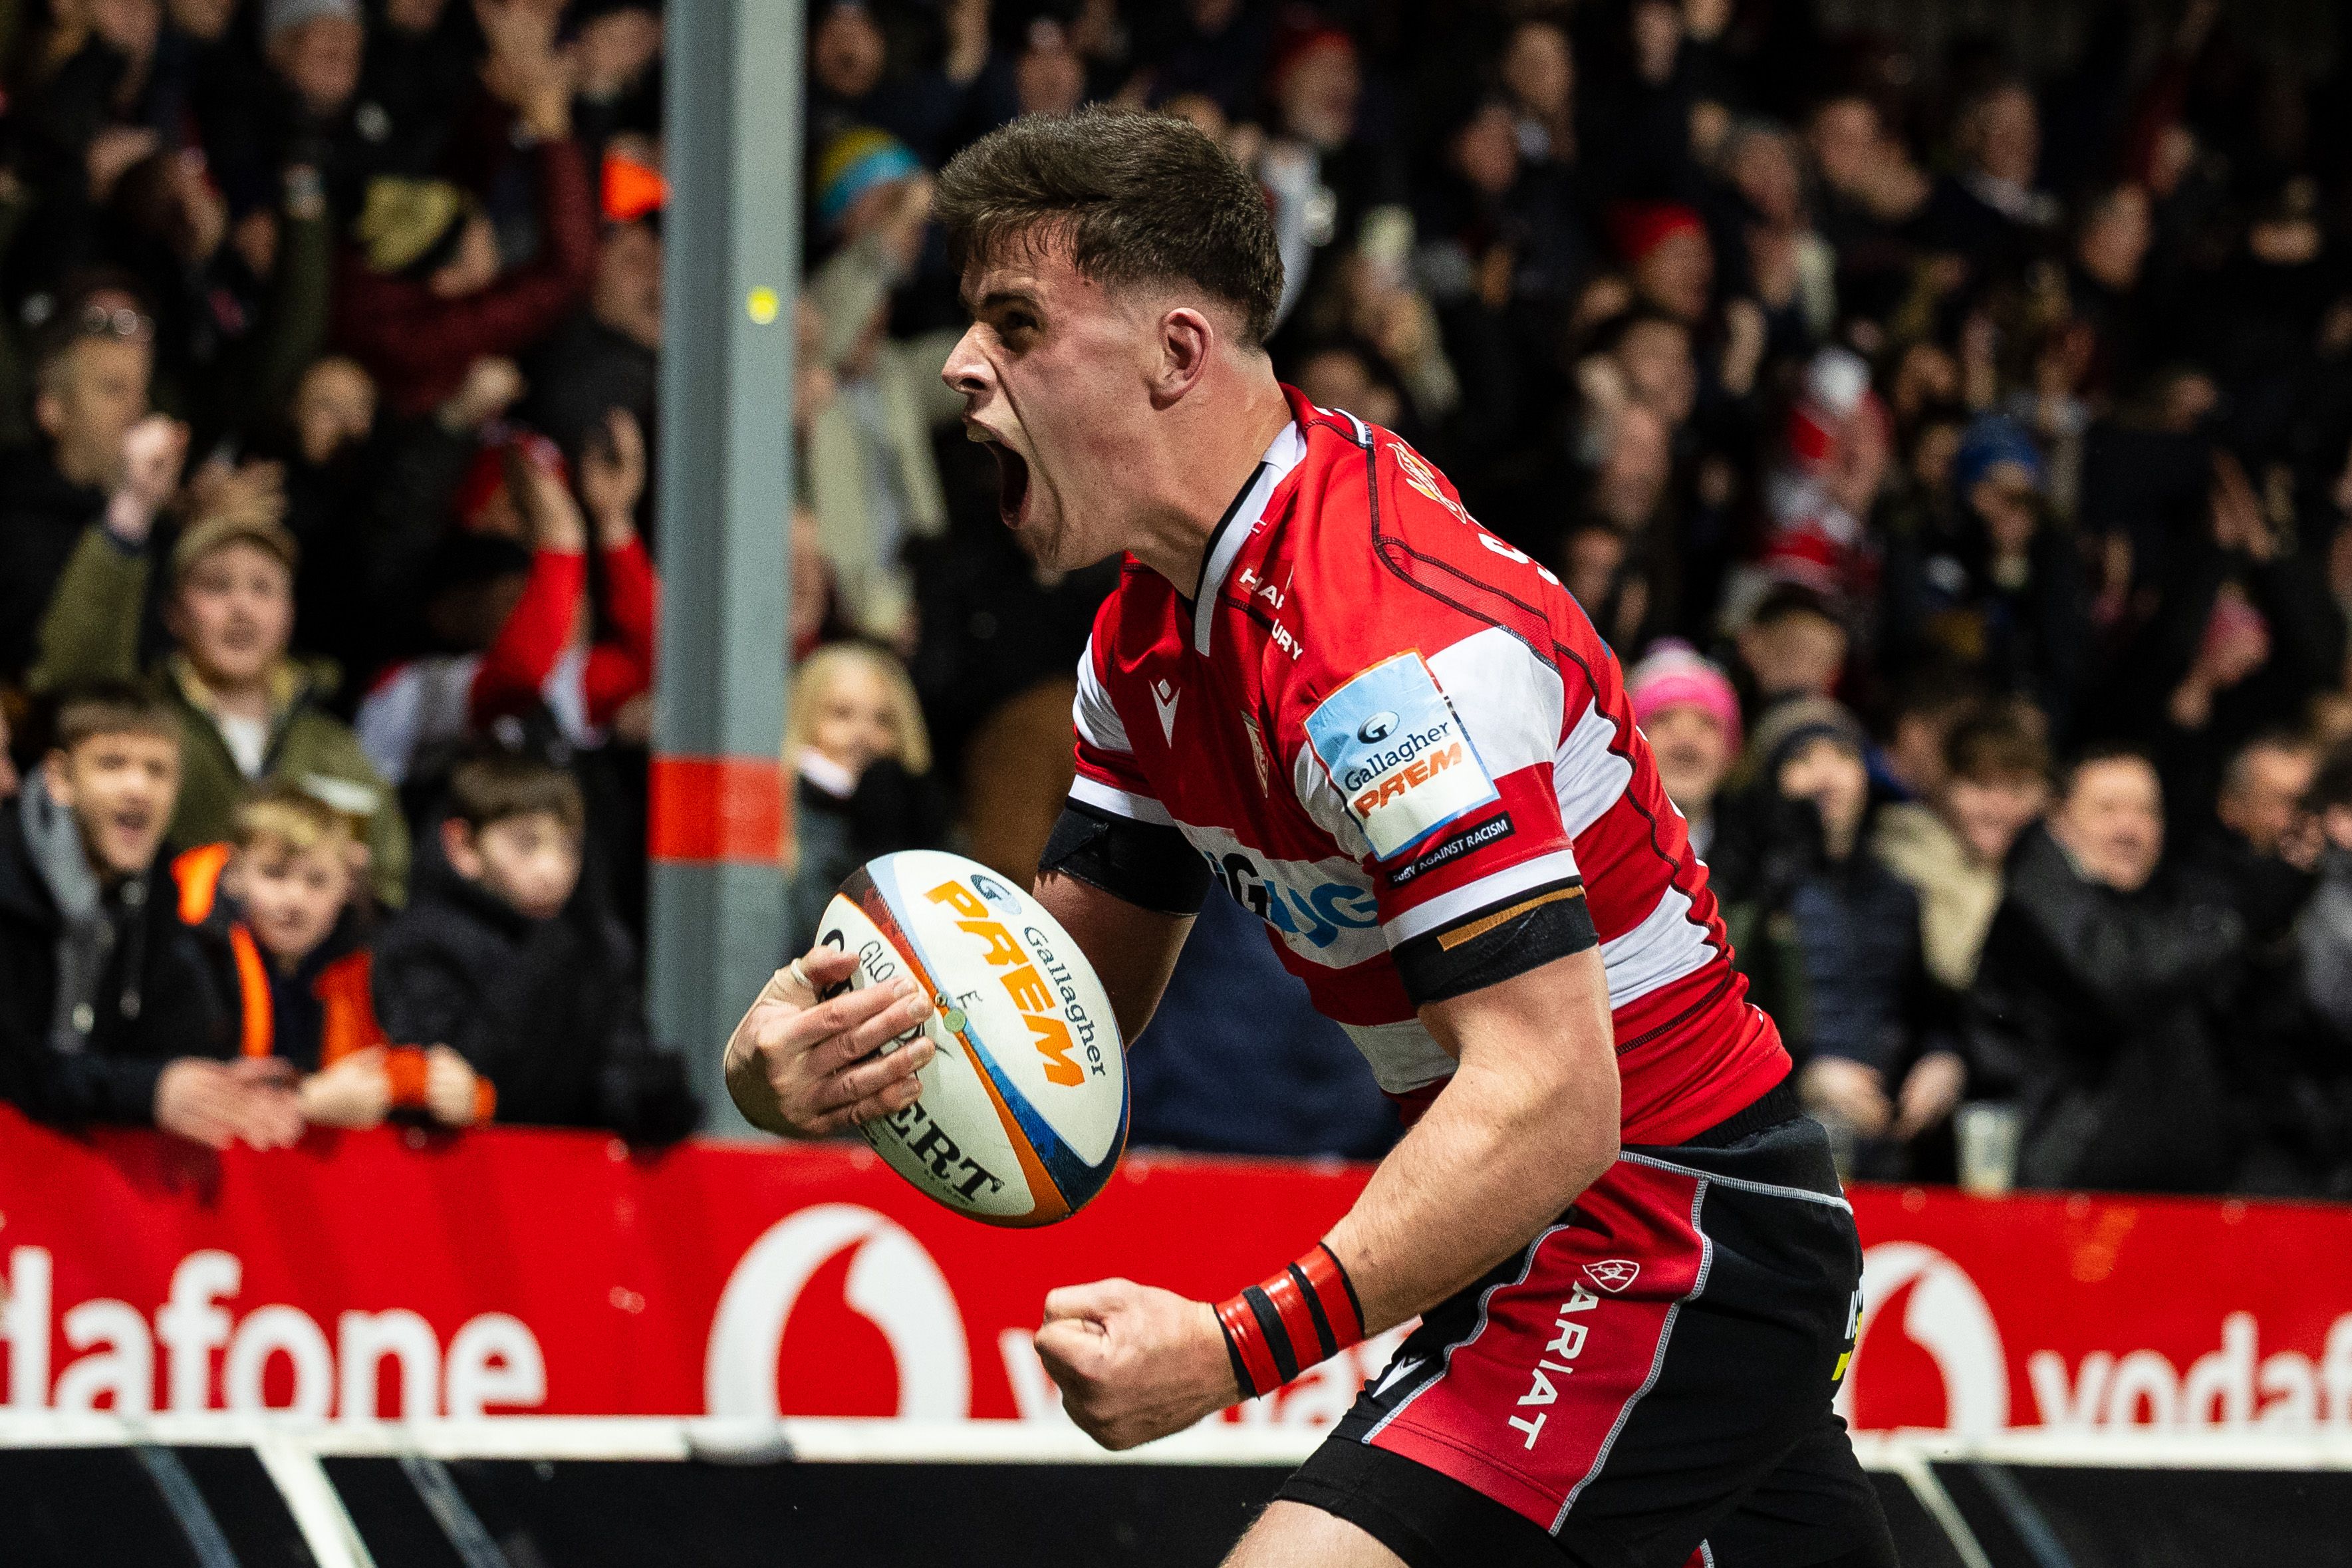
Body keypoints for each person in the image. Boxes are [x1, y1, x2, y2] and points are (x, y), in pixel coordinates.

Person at [724, 110, 1891, 1568]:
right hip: (1548, 1235)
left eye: (1015, 324)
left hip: (1661, 1234)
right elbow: (1058, 1005)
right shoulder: (1143, 643)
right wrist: (829, 1049)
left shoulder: (1378, 652)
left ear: (1174, 353)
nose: (962, 367)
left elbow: (1550, 1093)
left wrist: (1230, 1349)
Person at [31, 499, 410, 905]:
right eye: (216, 586)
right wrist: (128, 516)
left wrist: (363, 895)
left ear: (289, 614)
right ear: (173, 612)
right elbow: (67, 684)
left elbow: (393, 883)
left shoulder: (335, 746)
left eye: (263, 588)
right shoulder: (140, 722)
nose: (242, 608)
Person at [0, 679, 303, 1148]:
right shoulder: (9, 879)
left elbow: (166, 1043)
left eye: (158, 771)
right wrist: (146, 1089)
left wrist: (215, 1084)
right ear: (60, 779)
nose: (138, 788)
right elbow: (16, 1068)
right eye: (112, 764)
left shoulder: (161, 887)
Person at [372, 751, 697, 1141]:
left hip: (564, 1181)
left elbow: (616, 1060)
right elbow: (443, 1075)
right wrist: (542, 961)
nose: (552, 869)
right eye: (526, 844)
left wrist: (649, 1099)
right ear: (463, 847)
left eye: (569, 847)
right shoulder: (420, 943)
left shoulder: (598, 946)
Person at [1966, 745, 2242, 1192]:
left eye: (2146, 812)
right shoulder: (2036, 897)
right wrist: (2234, 930)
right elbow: (2118, 981)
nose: (2128, 830)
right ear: (2058, 819)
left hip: (2178, 1201)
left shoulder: (2165, 905)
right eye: (2106, 809)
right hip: (2060, 1193)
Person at [176, 781, 490, 1131]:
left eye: (317, 881)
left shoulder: (368, 958)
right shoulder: (196, 955)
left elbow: (402, 1063)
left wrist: (468, 1095)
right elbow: (185, 1090)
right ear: (234, 876)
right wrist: (305, 1102)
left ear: (347, 887)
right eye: (275, 874)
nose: (295, 900)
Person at [780, 641, 948, 956]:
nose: (864, 735)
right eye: (841, 715)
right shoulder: (782, 817)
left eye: (884, 720)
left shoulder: (923, 823)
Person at [1874, 700, 2051, 989]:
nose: (1998, 807)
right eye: (1980, 785)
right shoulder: (1904, 863)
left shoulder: (2047, 866)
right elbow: (1956, 968)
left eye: (2016, 789)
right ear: (1944, 788)